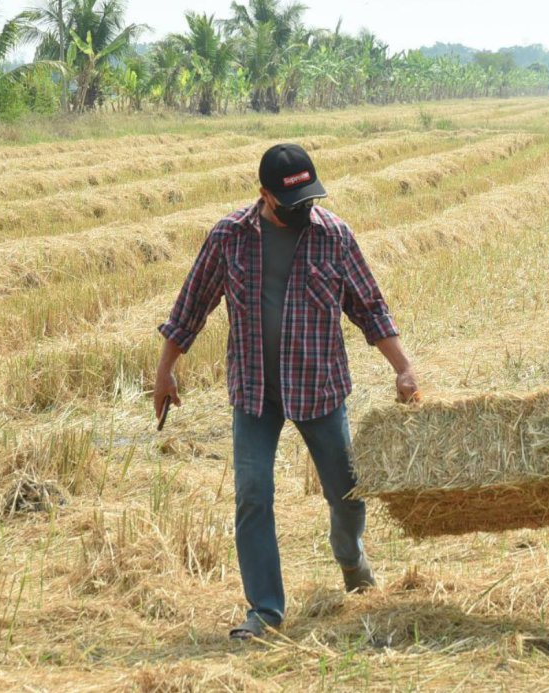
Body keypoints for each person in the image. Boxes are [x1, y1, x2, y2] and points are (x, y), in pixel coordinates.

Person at [154, 143, 420, 641]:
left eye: (309, 200)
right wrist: (166, 370)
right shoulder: (229, 237)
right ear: (264, 196)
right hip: (255, 392)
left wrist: (403, 368)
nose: (304, 211)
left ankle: (350, 558)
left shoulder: (334, 236)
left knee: (347, 493)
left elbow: (370, 307)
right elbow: (190, 306)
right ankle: (266, 611)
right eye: (292, 204)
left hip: (319, 388)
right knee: (253, 494)